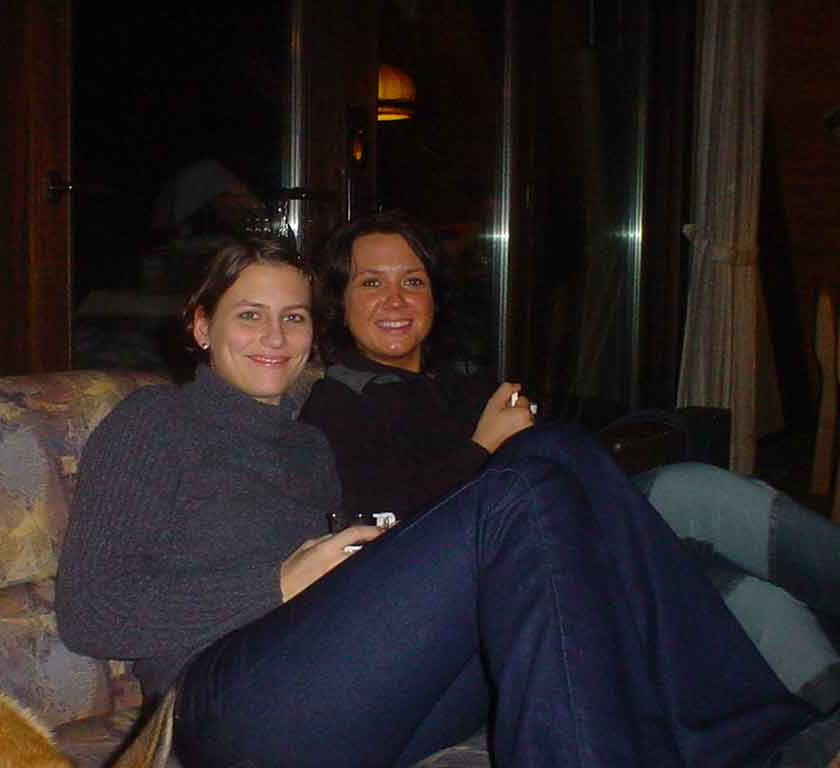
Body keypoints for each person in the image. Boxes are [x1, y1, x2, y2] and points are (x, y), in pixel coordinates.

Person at [56, 237, 826, 767]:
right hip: (223, 709)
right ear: (200, 326)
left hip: (345, 697)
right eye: (248, 314)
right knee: (525, 483)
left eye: (293, 316)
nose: (275, 336)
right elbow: (90, 612)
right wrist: (279, 582)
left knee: (558, 451)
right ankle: (749, 732)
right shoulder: (154, 421)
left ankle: (751, 739)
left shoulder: (308, 445)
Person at [299, 209, 840, 713]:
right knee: (695, 494)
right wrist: (483, 447)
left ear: (435, 298)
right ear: (341, 302)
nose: (396, 300)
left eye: (413, 281)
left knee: (756, 599)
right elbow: (389, 533)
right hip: (507, 584)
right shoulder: (337, 404)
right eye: (371, 283)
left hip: (565, 537)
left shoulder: (462, 382)